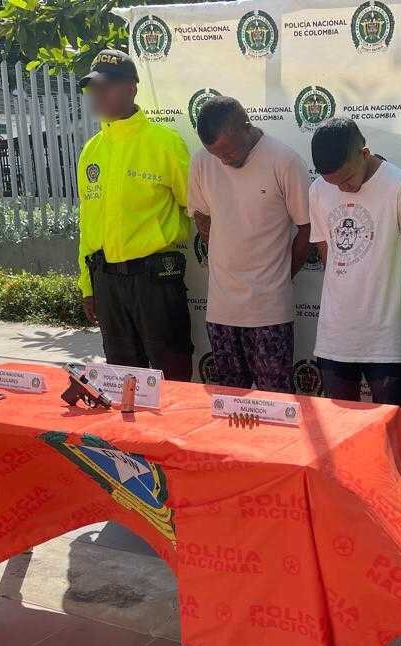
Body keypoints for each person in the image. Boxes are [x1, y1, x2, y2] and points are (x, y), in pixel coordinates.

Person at [76, 50, 193, 380]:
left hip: (154, 281)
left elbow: (197, 208)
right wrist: (89, 285)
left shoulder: (164, 143)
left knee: (171, 375)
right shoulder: (92, 151)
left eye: (107, 86)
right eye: (93, 88)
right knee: (123, 378)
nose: (99, 95)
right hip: (106, 281)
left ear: (131, 88)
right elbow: (88, 224)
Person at [188, 97, 311, 393]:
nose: (224, 161)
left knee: (275, 402)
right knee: (230, 403)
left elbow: (307, 228)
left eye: (228, 152)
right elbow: (201, 214)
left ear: (246, 127)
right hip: (221, 309)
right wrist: (221, 257)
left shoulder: (284, 161)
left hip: (269, 311)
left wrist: (281, 277)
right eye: (215, 154)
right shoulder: (202, 161)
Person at [308, 118, 401, 414]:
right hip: (334, 336)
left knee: (390, 432)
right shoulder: (317, 190)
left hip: (385, 338)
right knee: (339, 430)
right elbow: (328, 255)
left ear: (364, 153)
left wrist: (394, 307)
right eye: (333, 183)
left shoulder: (398, 184)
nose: (343, 189)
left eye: (347, 179)